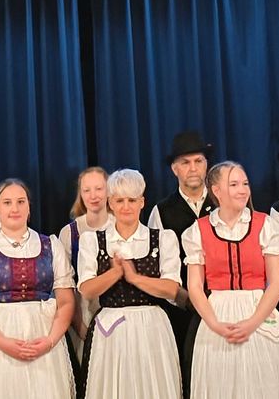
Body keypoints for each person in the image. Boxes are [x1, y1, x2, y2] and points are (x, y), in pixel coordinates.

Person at [182, 161, 279, 399]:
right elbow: (194, 286)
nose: (243, 189)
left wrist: (253, 322)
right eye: (234, 184)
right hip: (217, 313)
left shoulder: (265, 224)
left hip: (259, 310)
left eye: (245, 183)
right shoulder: (198, 230)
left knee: (261, 385)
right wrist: (214, 324)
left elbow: (276, 282)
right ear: (216, 190)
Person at [0, 178, 76, 399]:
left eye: (21, 202)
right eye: (7, 202)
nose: (15, 208)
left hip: (43, 336)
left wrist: (50, 341)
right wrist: (3, 342)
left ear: (29, 206)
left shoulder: (51, 245)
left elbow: (66, 301)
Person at [79, 168, 182, 399]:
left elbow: (172, 288)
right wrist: (115, 273)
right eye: (120, 200)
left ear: (142, 202)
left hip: (152, 325)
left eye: (132, 200)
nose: (126, 206)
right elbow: (86, 290)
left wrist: (135, 278)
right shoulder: (93, 240)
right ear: (110, 203)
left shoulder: (163, 238)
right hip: (111, 326)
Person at [147, 130, 215, 351]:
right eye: (185, 163)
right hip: (182, 309)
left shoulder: (223, 202)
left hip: (224, 303)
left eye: (198, 161)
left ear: (207, 165)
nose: (193, 168)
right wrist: (183, 298)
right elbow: (155, 267)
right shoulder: (162, 211)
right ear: (174, 169)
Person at [58, 166, 112, 358]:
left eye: (99, 189)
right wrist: (81, 328)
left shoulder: (119, 226)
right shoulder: (69, 233)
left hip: (115, 314)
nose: (93, 195)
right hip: (82, 317)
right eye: (87, 190)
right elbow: (65, 285)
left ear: (109, 191)